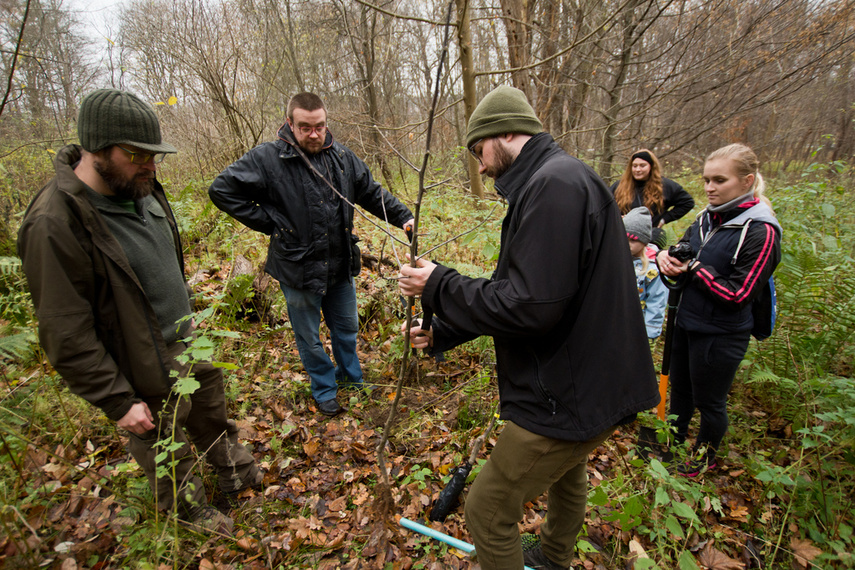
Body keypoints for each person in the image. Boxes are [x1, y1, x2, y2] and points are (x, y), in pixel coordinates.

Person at [399, 86, 659, 570]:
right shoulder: (560, 178)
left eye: (479, 150)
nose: (479, 165)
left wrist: (438, 284)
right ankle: (554, 558)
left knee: (486, 509)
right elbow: (528, 290)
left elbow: (529, 306)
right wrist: (445, 332)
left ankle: (549, 558)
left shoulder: (553, 186)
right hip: (589, 379)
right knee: (569, 475)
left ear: (507, 132)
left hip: (567, 391)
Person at [17, 89, 261, 533]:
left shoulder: (139, 183)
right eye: (136, 155)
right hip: (137, 359)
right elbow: (64, 330)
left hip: (187, 339)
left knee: (210, 414)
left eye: (154, 155)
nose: (150, 165)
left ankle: (237, 475)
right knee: (163, 442)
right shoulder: (55, 221)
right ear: (96, 150)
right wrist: (118, 400)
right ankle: (192, 514)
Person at [209, 92, 414, 417]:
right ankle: (324, 388)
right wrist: (273, 224)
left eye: (320, 126)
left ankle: (351, 379)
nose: (315, 134)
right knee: (309, 336)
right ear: (290, 123)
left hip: (340, 264)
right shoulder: (267, 159)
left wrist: (404, 216)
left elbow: (371, 192)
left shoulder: (343, 158)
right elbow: (221, 189)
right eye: (306, 127)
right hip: (297, 267)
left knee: (346, 328)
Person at [656, 143, 781, 476]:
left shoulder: (761, 231)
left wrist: (694, 268)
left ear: (746, 181)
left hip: (722, 334)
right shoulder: (705, 218)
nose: (709, 187)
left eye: (719, 180)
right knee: (680, 392)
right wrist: (667, 258)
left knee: (710, 402)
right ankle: (671, 443)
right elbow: (685, 248)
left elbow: (738, 293)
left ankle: (702, 458)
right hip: (686, 322)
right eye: (706, 179)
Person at [611, 149, 695, 248]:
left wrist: (664, 219)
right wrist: (617, 217)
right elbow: (604, 205)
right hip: (622, 238)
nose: (638, 169)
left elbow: (687, 202)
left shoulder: (664, 186)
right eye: (635, 166)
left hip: (650, 240)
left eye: (642, 166)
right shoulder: (619, 186)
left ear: (651, 166)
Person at [623, 206, 668, 339]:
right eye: (624, 238)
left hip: (637, 328)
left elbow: (657, 301)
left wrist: (650, 332)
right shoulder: (614, 259)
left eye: (633, 240)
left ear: (644, 242)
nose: (627, 244)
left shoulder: (653, 269)